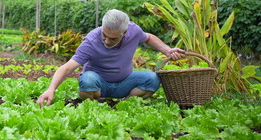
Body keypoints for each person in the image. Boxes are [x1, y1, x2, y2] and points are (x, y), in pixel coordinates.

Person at [37, 9, 185, 107]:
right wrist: (50, 89)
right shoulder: (91, 41)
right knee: (87, 79)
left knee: (152, 79)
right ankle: (95, 104)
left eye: (112, 39)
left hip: (124, 84)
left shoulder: (134, 31)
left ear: (124, 33)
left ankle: (121, 105)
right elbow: (67, 67)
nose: (107, 41)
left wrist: (167, 50)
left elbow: (148, 38)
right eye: (104, 36)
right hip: (97, 86)